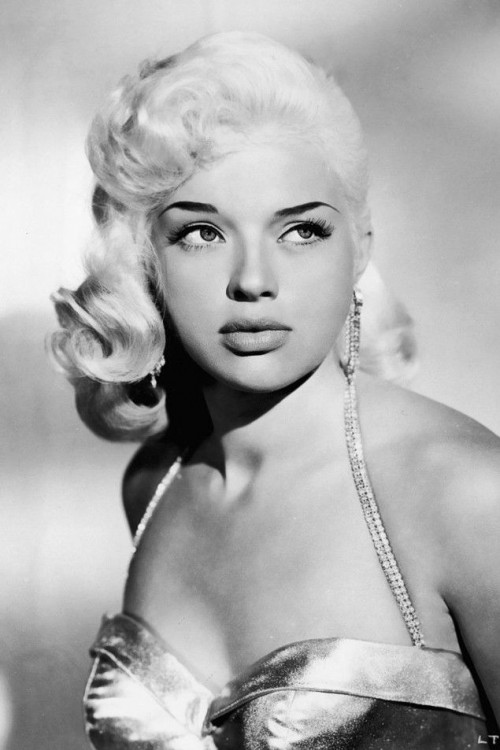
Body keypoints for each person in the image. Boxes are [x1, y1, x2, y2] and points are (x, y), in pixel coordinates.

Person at [50, 31, 500, 749]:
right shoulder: (156, 485)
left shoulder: (463, 493)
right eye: (202, 234)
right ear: (145, 259)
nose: (253, 281)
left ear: (360, 246)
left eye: (301, 231)